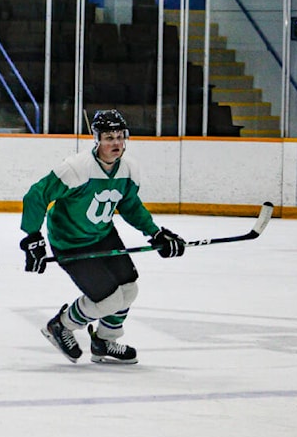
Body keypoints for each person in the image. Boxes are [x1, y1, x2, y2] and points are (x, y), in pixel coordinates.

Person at [19, 109, 186, 365]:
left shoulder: (129, 169)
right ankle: (60, 326)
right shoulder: (76, 169)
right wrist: (33, 237)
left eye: (120, 136)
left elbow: (129, 205)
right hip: (70, 241)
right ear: (97, 138)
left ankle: (104, 341)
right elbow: (36, 196)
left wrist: (156, 233)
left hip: (103, 235)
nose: (116, 143)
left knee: (129, 290)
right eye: (109, 137)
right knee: (107, 301)